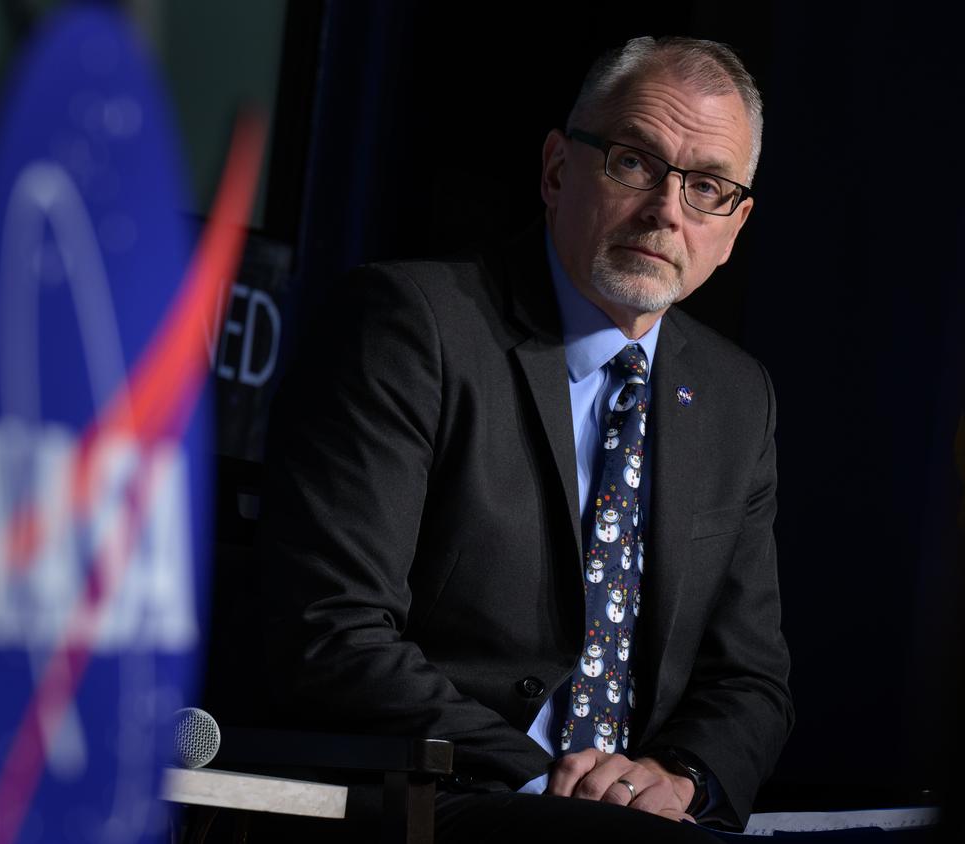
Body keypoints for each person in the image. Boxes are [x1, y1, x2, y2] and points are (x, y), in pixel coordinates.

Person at [259, 35, 793, 841]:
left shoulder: (736, 398)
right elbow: (333, 630)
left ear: (736, 224)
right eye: (633, 162)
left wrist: (674, 779)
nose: (666, 211)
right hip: (436, 799)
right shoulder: (413, 328)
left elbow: (750, 681)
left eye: (707, 187)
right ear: (555, 170)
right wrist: (551, 782)